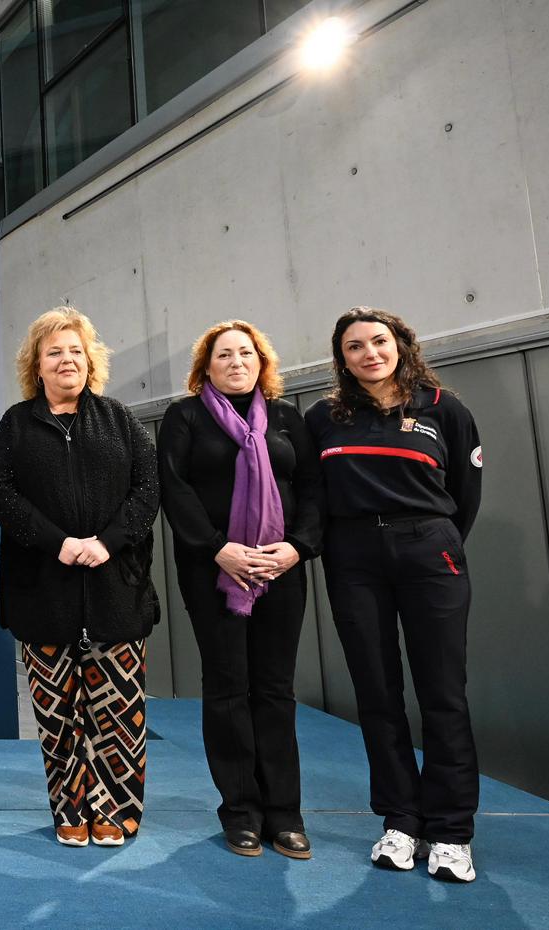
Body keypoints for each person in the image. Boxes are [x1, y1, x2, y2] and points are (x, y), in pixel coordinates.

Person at [306, 307, 483, 883]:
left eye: (379, 342)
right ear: (343, 358)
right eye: (354, 347)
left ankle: (452, 831)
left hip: (429, 552)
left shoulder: (443, 408)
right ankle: (401, 821)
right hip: (354, 558)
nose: (369, 354)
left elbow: (465, 494)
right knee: (377, 694)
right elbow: (311, 494)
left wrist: (431, 539)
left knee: (442, 694)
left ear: (401, 345)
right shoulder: (324, 417)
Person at [0, 307, 160, 848]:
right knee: (58, 720)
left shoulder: (120, 420)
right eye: (54, 352)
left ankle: (114, 809)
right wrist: (57, 543)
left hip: (115, 592)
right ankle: (69, 808)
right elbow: (0, 493)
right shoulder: (16, 425)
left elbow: (147, 490)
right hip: (43, 595)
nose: (66, 360)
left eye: (75, 351)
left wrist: (105, 544)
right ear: (36, 365)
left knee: (119, 715)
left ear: (91, 361)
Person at [158, 321, 321, 860]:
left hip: (281, 569)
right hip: (213, 569)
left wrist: (296, 548)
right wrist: (217, 548)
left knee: (274, 689)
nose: (236, 362)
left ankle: (285, 815)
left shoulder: (287, 418)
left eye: (245, 353)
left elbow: (315, 491)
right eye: (223, 355)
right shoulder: (184, 418)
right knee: (228, 687)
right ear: (205, 366)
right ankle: (241, 813)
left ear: (261, 361)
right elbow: (174, 491)